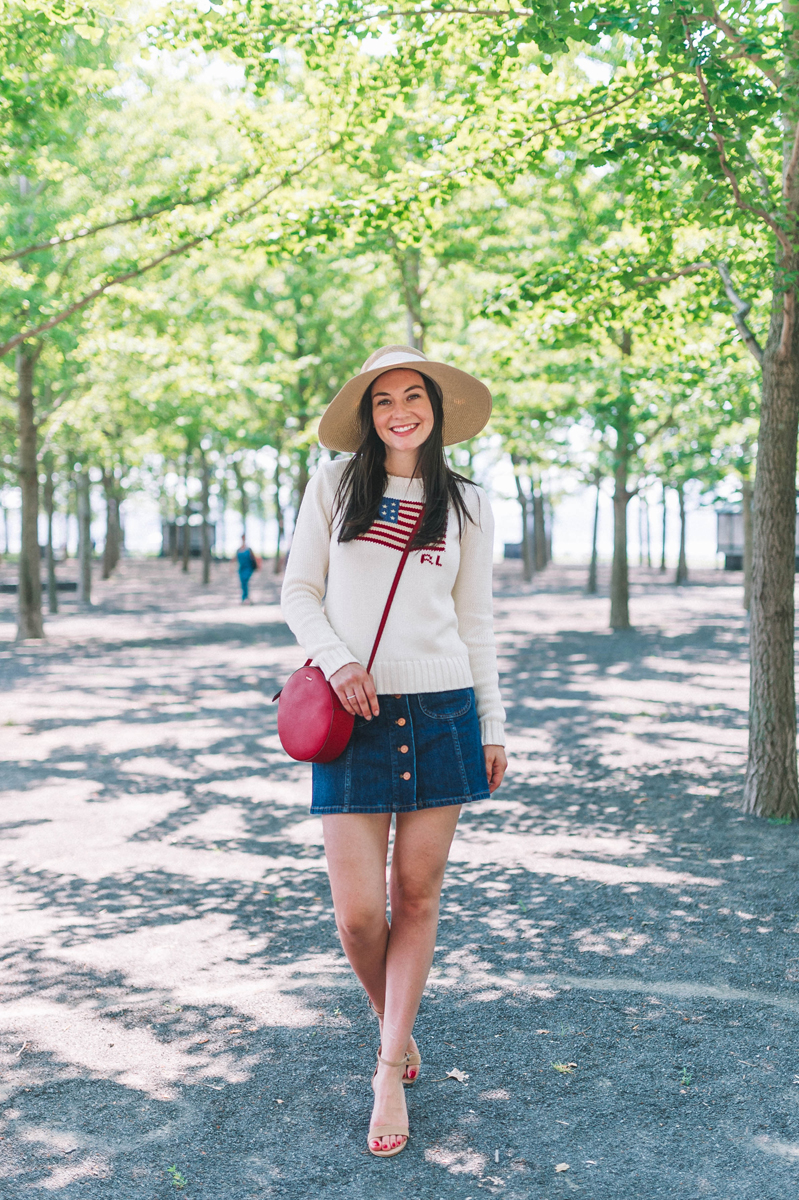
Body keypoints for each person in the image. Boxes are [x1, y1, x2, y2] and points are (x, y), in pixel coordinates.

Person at [281, 345, 507, 1158]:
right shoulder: (334, 485)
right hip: (353, 709)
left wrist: (492, 725)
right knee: (356, 916)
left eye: (414, 396)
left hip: (443, 708)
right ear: (368, 416)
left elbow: (475, 624)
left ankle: (386, 1067)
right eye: (383, 401)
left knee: (416, 896)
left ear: (435, 410)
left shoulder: (471, 503)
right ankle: (396, 1024)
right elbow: (298, 590)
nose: (399, 411)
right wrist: (339, 662)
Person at [236, 534, 258, 603]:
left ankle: (246, 597)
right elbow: (235, 559)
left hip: (248, 568)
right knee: (243, 583)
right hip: (241, 569)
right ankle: (245, 598)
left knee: (245, 582)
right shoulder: (238, 549)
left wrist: (258, 567)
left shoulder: (249, 549)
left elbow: (254, 558)